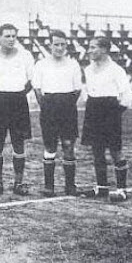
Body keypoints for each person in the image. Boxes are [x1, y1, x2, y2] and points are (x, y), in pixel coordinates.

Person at [0, 23, 35, 196]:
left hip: (18, 101)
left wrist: (18, 94)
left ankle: (18, 183)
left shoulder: (25, 56)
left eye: (14, 36)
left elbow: (31, 81)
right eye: (7, 36)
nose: (11, 39)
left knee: (18, 143)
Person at [81, 37, 132, 202]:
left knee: (115, 150)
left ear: (104, 50)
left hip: (110, 110)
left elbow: (127, 95)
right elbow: (87, 91)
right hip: (93, 108)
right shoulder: (88, 69)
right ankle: (102, 187)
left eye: (93, 47)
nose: (89, 50)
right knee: (97, 150)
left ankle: (122, 189)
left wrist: (115, 113)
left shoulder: (116, 70)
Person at [32, 29, 82, 197]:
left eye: (62, 44)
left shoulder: (73, 64)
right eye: (56, 44)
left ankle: (70, 186)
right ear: (50, 45)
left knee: (68, 145)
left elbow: (77, 90)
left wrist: (66, 104)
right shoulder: (41, 64)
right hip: (49, 107)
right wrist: (47, 106)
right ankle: (49, 186)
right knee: (50, 147)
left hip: (68, 107)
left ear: (66, 45)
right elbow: (37, 89)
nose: (59, 48)